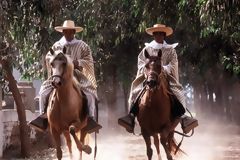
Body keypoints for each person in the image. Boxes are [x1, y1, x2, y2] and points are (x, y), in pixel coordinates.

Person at [118, 24, 198, 134]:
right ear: (153, 35)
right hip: (149, 75)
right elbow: (141, 62)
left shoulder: (170, 50)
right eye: (156, 33)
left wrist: (163, 68)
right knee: (136, 91)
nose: (158, 35)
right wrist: (148, 69)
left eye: (161, 33)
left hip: (166, 76)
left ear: (164, 35)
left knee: (177, 92)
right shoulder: (147, 49)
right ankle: (131, 116)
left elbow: (174, 64)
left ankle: (183, 117)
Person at [29, 20, 102, 133]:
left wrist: (77, 62)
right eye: (65, 31)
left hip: (77, 75)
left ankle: (90, 118)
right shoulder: (57, 45)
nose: (68, 33)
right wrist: (56, 61)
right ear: (63, 32)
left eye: (70, 31)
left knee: (91, 94)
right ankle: (43, 116)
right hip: (59, 75)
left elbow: (89, 60)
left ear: (74, 32)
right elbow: (49, 57)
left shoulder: (82, 45)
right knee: (43, 91)